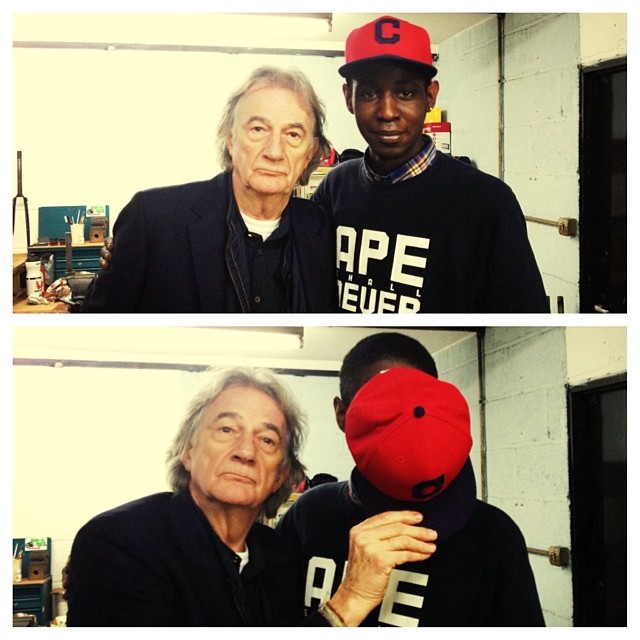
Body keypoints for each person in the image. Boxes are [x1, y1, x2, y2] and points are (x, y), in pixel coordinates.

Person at [65, 365, 437, 626]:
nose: (246, 451)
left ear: (282, 477)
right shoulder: (118, 544)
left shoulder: (276, 555)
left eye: (267, 439)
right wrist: (346, 604)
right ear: (189, 451)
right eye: (226, 429)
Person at [276, 332, 546, 626]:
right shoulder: (309, 513)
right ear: (343, 414)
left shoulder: (493, 536)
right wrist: (348, 600)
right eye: (381, 406)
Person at [311, 16, 549, 312]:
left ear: (430, 97)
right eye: (370, 93)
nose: (387, 111)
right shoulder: (335, 186)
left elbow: (524, 314)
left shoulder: (488, 203)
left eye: (405, 93)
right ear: (349, 98)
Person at [81, 66, 337, 313]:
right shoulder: (153, 220)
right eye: (258, 129)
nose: (274, 152)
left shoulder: (323, 230)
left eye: (293, 134)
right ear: (231, 140)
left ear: (310, 152)